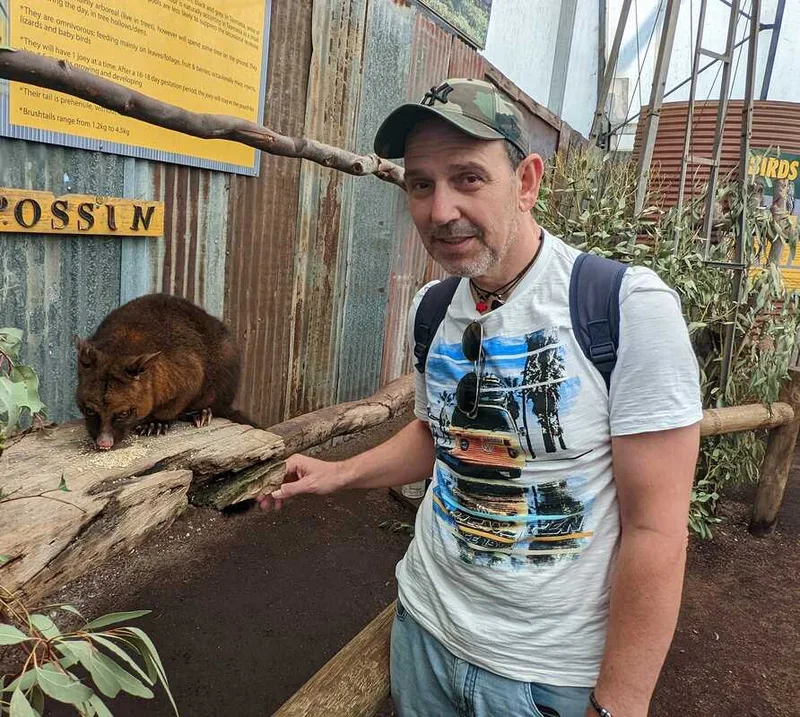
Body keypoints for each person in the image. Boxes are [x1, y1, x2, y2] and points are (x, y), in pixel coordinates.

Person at [258, 78, 702, 717]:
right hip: (425, 627)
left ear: (526, 182)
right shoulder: (433, 307)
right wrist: (340, 473)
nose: (440, 211)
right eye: (421, 184)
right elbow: (439, 435)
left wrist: (619, 705)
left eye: (468, 178)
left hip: (546, 675)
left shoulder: (625, 308)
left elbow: (657, 530)